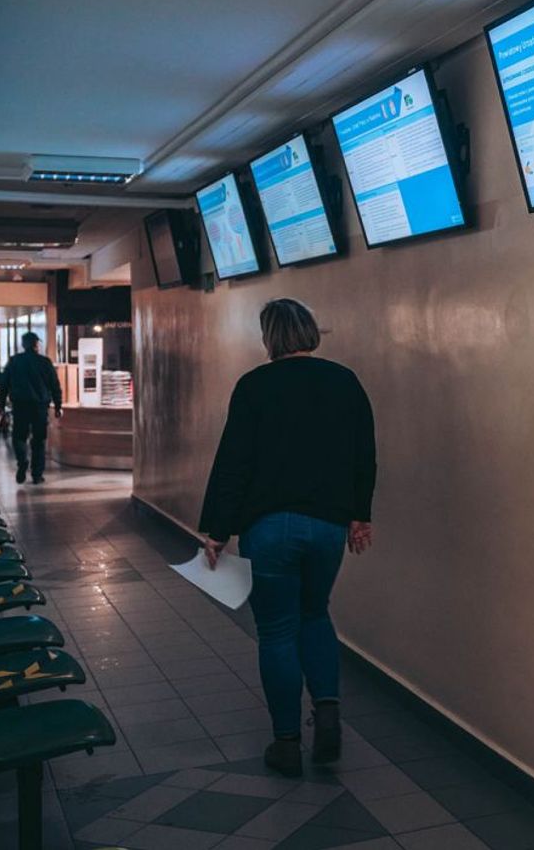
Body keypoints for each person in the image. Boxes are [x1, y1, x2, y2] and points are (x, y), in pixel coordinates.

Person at [199, 298, 377, 779]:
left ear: (270, 337)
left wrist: (217, 530)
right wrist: (360, 516)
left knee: (277, 630)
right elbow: (364, 454)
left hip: (270, 527)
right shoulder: (344, 381)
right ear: (310, 331)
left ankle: (286, 743)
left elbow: (234, 462)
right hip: (328, 526)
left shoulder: (255, 386)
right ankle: (328, 713)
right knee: (315, 613)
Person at [0, 332, 62, 484]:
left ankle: (22, 462)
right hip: (40, 406)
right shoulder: (45, 362)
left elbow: (4, 384)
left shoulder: (14, 361)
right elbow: (54, 385)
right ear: (36, 345)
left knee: (19, 436)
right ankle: (37, 474)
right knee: (39, 439)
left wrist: (1, 404)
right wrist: (58, 405)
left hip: (20, 405)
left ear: (23, 345)